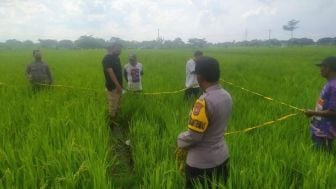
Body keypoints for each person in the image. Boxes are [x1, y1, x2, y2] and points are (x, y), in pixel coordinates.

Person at [177, 56, 232, 188]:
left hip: (201, 164)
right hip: (222, 158)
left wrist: (179, 139)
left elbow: (194, 137)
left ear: (200, 77)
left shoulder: (203, 102)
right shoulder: (226, 95)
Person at [305, 56, 336, 151]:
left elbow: (334, 112)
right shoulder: (330, 83)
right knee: (318, 156)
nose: (320, 69)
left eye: (322, 66)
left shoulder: (334, 87)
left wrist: (313, 113)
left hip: (325, 132)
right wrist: (314, 113)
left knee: (323, 157)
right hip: (319, 129)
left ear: (329, 68)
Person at [102, 43, 123, 119]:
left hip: (119, 86)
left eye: (120, 48)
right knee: (113, 107)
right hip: (113, 87)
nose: (119, 50)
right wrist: (118, 86)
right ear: (111, 48)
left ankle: (117, 120)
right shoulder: (107, 59)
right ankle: (111, 124)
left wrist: (121, 86)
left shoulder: (117, 58)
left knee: (118, 105)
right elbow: (111, 73)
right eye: (117, 48)